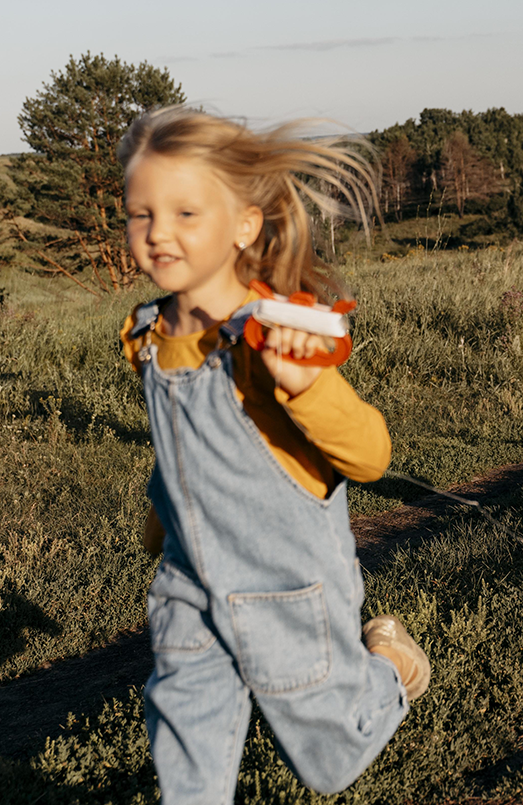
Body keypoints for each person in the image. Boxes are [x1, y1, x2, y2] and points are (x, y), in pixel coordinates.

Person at [117, 107, 428, 802]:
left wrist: (306, 386)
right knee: (187, 761)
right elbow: (182, 448)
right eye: (141, 214)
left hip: (285, 585)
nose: (158, 231)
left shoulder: (272, 334)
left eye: (185, 212)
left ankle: (390, 668)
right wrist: (162, 524)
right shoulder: (146, 335)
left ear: (244, 224)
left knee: (330, 761)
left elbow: (371, 457)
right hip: (189, 587)